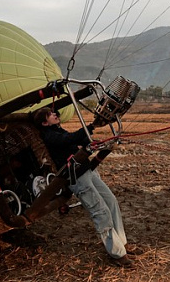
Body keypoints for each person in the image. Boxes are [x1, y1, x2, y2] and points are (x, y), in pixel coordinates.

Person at [33, 106, 134, 267]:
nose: (55, 114)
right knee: (100, 211)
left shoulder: (59, 131)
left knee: (111, 201)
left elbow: (79, 139)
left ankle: (122, 243)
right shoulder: (50, 136)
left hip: (87, 171)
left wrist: (91, 141)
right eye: (50, 114)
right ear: (44, 123)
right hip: (77, 178)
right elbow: (69, 139)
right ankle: (117, 254)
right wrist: (92, 126)